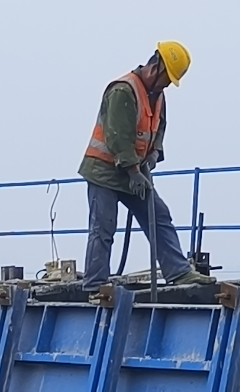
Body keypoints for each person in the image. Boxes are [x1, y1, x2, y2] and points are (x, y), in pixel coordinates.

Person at [79, 42, 209, 287]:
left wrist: (154, 153)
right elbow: (118, 136)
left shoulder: (157, 95)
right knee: (103, 228)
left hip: (134, 171)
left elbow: (159, 127)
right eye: (167, 78)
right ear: (156, 66)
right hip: (104, 171)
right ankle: (95, 285)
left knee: (158, 215)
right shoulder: (123, 91)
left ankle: (178, 271)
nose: (168, 84)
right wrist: (134, 171)